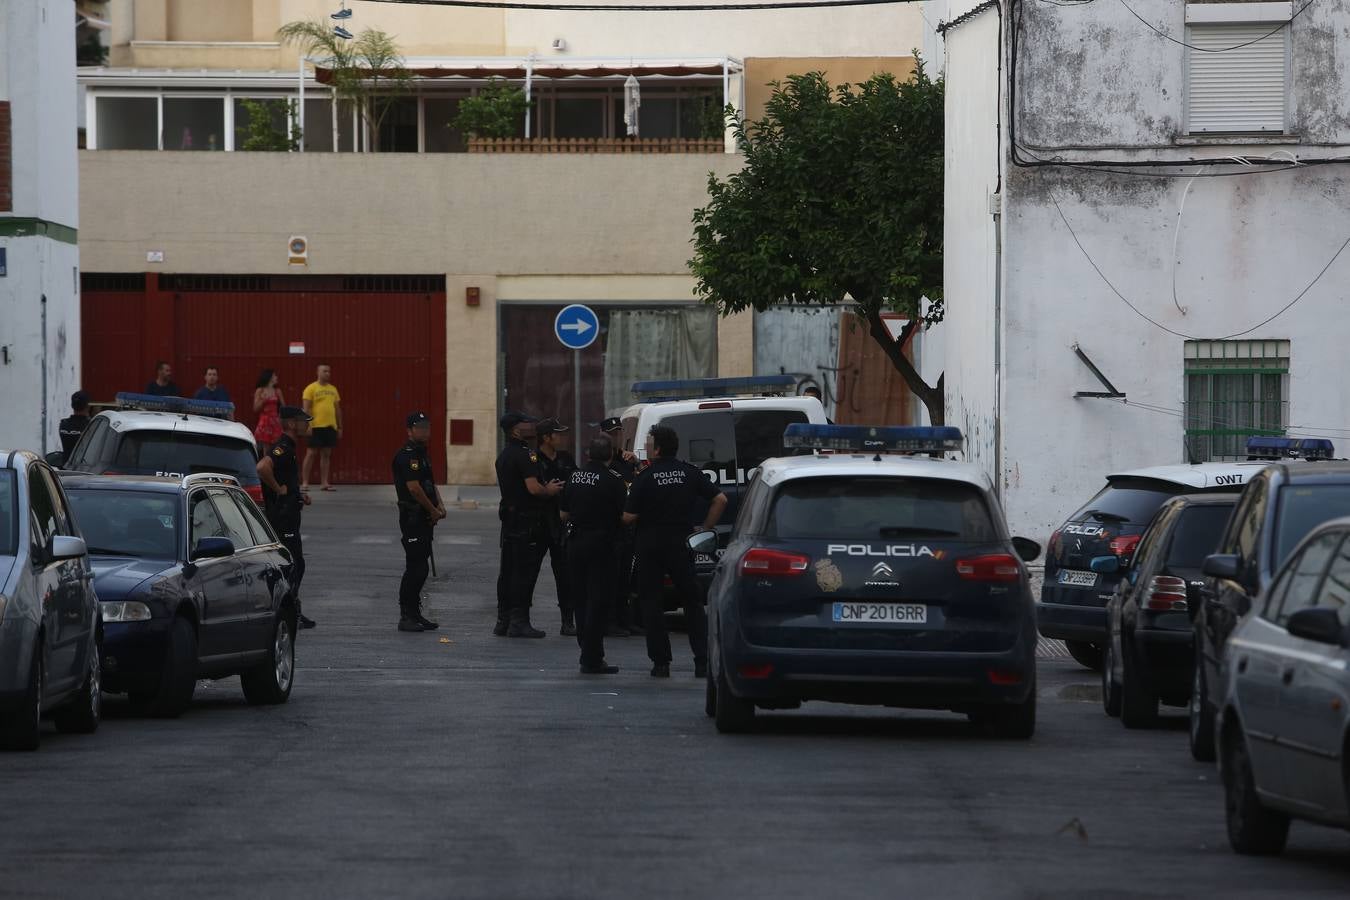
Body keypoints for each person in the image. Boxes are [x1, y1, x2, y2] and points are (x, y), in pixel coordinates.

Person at [623, 424, 728, 678]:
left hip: (650, 546)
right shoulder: (688, 472)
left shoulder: (645, 478)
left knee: (652, 603)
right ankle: (702, 661)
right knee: (692, 602)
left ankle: (661, 663)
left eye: (649, 443)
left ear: (657, 449)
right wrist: (706, 528)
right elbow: (720, 499)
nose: (647, 447)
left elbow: (628, 517)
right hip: (682, 544)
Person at [560, 437, 627, 675]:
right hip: (602, 545)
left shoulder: (574, 477)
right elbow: (625, 515)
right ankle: (592, 657)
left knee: (580, 598)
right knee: (599, 601)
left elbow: (563, 514)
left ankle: (585, 648)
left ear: (588, 454)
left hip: (576, 543)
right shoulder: (614, 481)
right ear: (610, 455)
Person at [494, 412, 563, 638]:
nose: (530, 425)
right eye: (525, 423)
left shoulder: (504, 454)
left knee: (508, 572)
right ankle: (519, 621)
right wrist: (549, 490)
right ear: (515, 429)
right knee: (523, 574)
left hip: (511, 521)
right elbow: (533, 488)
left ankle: (503, 620)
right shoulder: (526, 455)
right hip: (526, 522)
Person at [257, 406, 316, 630]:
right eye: (303, 421)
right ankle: (289, 612)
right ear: (292, 424)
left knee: (294, 563)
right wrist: (278, 490)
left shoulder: (290, 447)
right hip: (283, 517)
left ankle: (294, 610)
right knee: (293, 564)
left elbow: (284, 478)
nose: (307, 424)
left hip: (290, 514)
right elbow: (262, 467)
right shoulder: (282, 447)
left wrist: (298, 494)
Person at [392, 412, 446, 633]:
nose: (424, 431)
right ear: (409, 430)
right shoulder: (407, 456)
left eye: (427, 426)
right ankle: (406, 615)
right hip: (413, 517)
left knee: (421, 567)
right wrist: (432, 510)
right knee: (415, 568)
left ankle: (415, 613)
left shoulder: (422, 454)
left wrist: (439, 506)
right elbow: (414, 488)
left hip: (424, 517)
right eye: (419, 427)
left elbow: (429, 484)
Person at [599, 416, 642, 637]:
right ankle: (611, 620)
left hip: (628, 529)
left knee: (626, 577)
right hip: (610, 528)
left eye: (619, 432)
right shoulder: (601, 461)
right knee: (611, 578)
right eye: (612, 433)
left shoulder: (627, 461)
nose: (616, 436)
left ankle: (625, 619)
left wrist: (636, 463)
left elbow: (638, 485)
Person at [535, 417, 578, 636]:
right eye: (557, 433)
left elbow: (577, 481)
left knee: (565, 574)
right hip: (539, 523)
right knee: (529, 572)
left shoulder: (565, 459)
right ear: (546, 438)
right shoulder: (533, 459)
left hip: (561, 524)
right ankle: (519, 618)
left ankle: (567, 620)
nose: (561, 437)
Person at [302, 364, 343, 491]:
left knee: (326, 454)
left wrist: (340, 427)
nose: (327, 373)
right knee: (311, 453)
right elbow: (306, 408)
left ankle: (324, 482)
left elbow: (337, 409)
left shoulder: (333, 389)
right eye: (324, 371)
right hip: (316, 426)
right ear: (318, 372)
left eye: (329, 371)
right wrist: (308, 425)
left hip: (330, 426)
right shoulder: (311, 388)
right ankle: (304, 483)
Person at [252, 369, 285, 452]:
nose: (276, 377)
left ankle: (276, 463)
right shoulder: (260, 390)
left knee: (278, 446)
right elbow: (255, 408)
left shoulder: (277, 391)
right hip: (265, 421)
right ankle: (266, 463)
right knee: (266, 448)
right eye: (274, 376)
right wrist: (264, 400)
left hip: (275, 420)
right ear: (269, 377)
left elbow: (283, 407)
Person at [58, 391, 92, 457]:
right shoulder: (91, 426)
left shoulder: (63, 425)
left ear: (72, 406)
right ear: (87, 407)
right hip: (85, 466)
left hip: (66, 466)